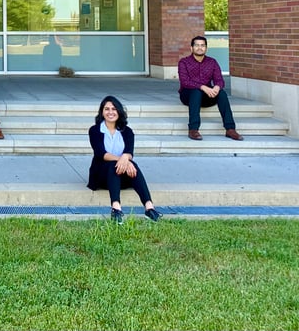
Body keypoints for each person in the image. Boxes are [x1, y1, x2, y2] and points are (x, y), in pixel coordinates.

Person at [87, 95, 162, 224]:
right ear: (102, 112)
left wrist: (126, 159)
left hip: (122, 177)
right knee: (113, 165)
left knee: (133, 164)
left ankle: (149, 208)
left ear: (119, 111)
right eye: (107, 109)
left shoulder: (127, 131)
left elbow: (129, 152)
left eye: (114, 109)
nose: (110, 112)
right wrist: (122, 160)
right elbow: (101, 153)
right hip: (101, 176)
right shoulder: (95, 130)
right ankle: (116, 209)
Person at [178, 35, 243, 141]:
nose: (200, 48)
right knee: (196, 91)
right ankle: (193, 129)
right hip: (188, 95)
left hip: (207, 96)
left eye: (202, 45)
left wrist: (217, 87)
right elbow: (185, 82)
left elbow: (219, 80)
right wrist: (202, 87)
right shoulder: (183, 62)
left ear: (206, 48)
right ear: (191, 48)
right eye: (197, 45)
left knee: (222, 93)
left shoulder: (212, 62)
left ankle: (230, 129)